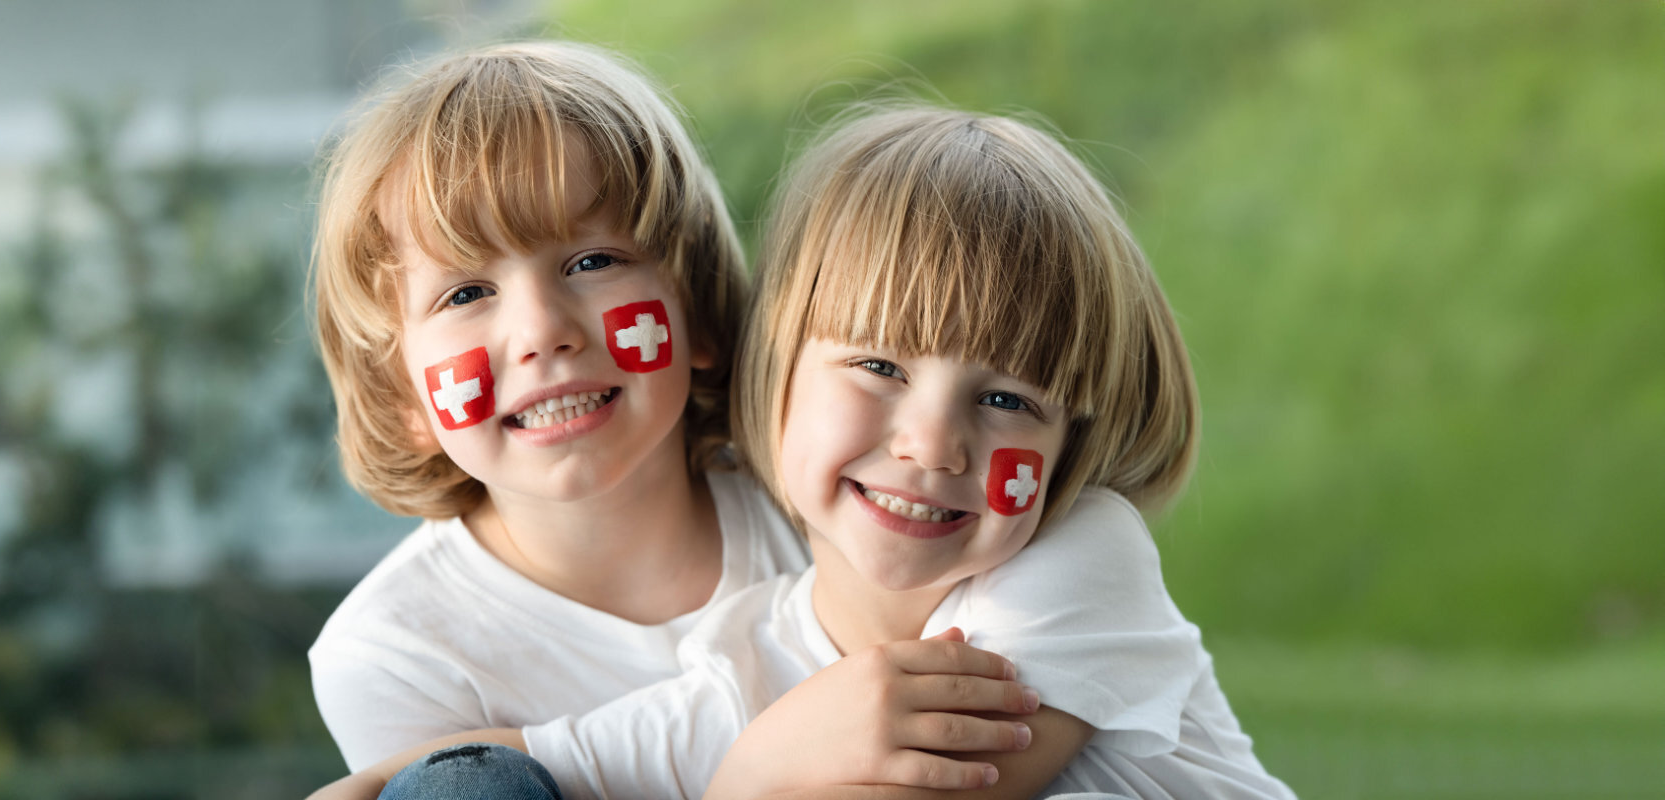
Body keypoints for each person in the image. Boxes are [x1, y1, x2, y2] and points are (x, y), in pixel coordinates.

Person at [334, 105, 1297, 799]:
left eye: (1006, 399)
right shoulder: (746, 657)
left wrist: (755, 774)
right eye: (879, 365)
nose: (929, 442)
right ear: (778, 374)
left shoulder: (1080, 558)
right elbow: (586, 753)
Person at [306, 43, 1036, 794]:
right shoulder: (396, 655)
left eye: (592, 262)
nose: (540, 331)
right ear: (401, 397)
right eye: (464, 294)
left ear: (698, 307)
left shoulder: (836, 496)